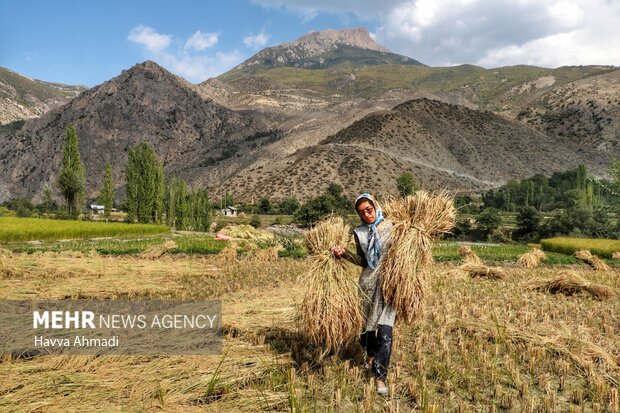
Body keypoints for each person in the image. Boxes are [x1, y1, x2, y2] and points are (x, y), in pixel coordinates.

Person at [331, 193, 395, 396]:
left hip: (389, 283)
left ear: (376, 205)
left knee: (385, 332)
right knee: (366, 332)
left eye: (369, 209)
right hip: (367, 282)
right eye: (361, 212)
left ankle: (380, 377)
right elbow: (362, 260)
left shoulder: (393, 226)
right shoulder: (358, 232)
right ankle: (370, 354)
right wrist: (344, 254)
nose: (366, 214)